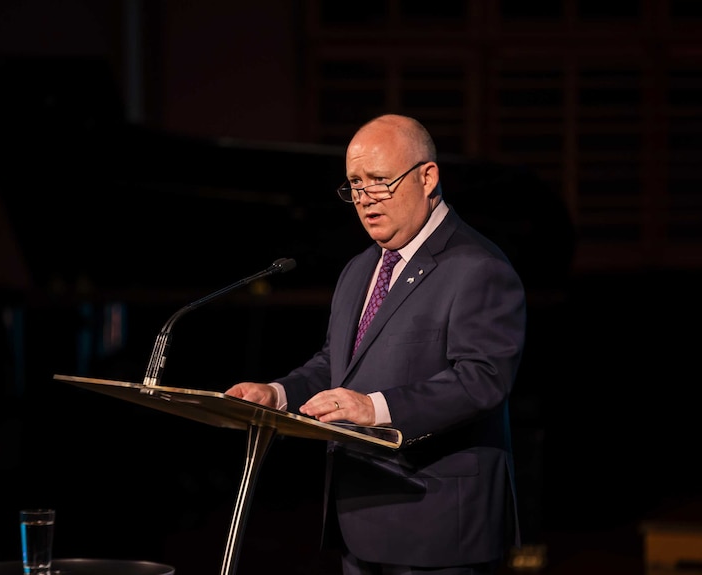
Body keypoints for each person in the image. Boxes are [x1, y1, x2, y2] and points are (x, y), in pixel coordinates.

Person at [225, 114, 526, 575]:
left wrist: (375, 408)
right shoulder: (360, 268)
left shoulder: (477, 266)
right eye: (355, 185)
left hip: (438, 524)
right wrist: (278, 395)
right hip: (361, 515)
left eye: (380, 182)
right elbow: (336, 364)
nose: (365, 200)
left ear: (428, 177)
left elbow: (482, 380)